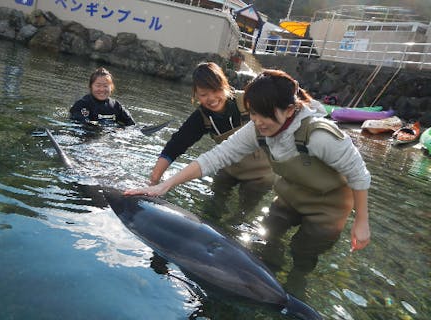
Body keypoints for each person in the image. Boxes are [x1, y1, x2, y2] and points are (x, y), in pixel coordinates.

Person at [125, 69, 371, 298]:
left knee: (303, 252)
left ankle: (297, 284)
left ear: (288, 110)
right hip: (290, 193)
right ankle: (268, 282)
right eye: (253, 113)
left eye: (265, 114)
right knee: (268, 236)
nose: (258, 121)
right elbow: (216, 157)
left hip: (328, 206)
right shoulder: (256, 129)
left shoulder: (319, 135)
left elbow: (359, 174)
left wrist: (361, 221)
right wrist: (163, 186)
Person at [148, 62, 275, 214]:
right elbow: (177, 144)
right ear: (195, 94)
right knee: (213, 207)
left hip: (261, 175)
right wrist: (154, 180)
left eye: (216, 90)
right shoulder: (202, 117)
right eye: (203, 94)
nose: (212, 99)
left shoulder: (248, 101)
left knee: (242, 212)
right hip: (229, 168)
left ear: (225, 85)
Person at [70, 67, 135, 127]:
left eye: (105, 86)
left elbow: (131, 125)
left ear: (111, 88)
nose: (102, 89)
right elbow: (80, 124)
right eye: (98, 86)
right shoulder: (81, 104)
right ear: (91, 87)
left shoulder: (116, 106)